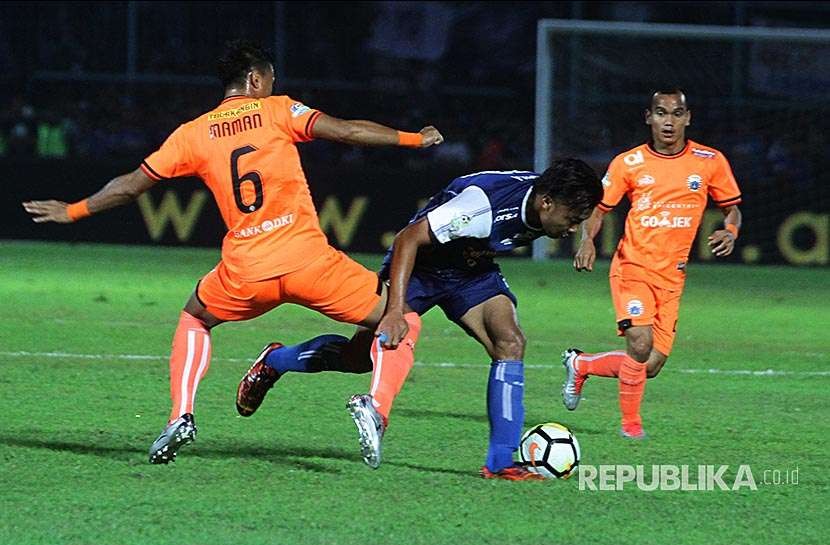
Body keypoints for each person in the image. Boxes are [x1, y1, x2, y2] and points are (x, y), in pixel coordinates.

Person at [22, 39, 443, 464]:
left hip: (246, 273)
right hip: (310, 263)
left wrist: (74, 210)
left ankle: (180, 416)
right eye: (271, 80)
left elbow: (132, 184)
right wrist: (414, 139)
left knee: (194, 317)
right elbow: (348, 131)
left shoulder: (192, 134)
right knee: (402, 316)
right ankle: (376, 408)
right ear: (256, 79)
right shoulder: (278, 110)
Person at [236, 160, 603, 480]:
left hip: (471, 272)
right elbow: (408, 238)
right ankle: (275, 361)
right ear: (546, 203)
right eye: (572, 221)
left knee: (510, 341)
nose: (573, 229)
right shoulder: (484, 206)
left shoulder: (548, 197)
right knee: (357, 358)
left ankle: (501, 462)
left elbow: (581, 200)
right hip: (420, 266)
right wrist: (394, 310)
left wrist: (589, 236)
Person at [561, 88, 743, 439]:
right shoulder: (628, 163)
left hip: (672, 277)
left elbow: (732, 208)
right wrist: (586, 239)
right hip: (633, 268)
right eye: (661, 113)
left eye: (676, 114)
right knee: (640, 345)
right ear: (649, 117)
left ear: (688, 118)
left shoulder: (710, 161)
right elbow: (599, 209)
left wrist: (731, 231)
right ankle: (632, 428)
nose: (669, 122)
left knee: (651, 365)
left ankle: (580, 364)